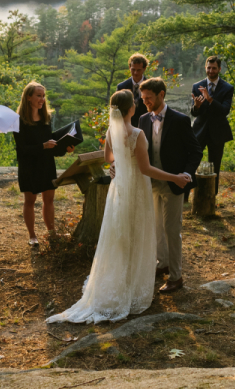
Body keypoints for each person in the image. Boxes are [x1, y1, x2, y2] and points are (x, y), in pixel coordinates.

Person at [46, 90, 192, 323]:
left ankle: (120, 283)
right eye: (135, 103)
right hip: (137, 188)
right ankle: (132, 288)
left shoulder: (111, 132)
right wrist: (174, 177)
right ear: (130, 109)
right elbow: (145, 169)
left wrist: (119, 165)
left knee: (119, 233)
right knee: (137, 233)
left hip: (120, 187)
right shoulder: (137, 133)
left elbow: (108, 158)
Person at [140, 77, 202, 293]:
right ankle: (162, 263)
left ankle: (176, 276)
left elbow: (195, 151)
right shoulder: (143, 120)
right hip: (152, 183)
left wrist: (185, 173)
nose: (145, 101)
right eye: (143, 98)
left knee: (171, 229)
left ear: (161, 95)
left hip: (175, 184)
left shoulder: (180, 120)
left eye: (149, 98)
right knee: (156, 227)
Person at [13, 82, 75, 246]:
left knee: (49, 199)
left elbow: (51, 147)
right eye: (38, 95)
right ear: (28, 97)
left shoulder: (46, 118)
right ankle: (32, 236)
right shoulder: (18, 121)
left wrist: (64, 149)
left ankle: (52, 233)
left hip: (46, 164)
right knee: (30, 200)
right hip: (29, 165)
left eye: (43, 95)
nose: (42, 99)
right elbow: (22, 149)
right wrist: (43, 146)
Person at [191, 56, 234, 196]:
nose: (211, 70)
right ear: (205, 68)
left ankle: (212, 197)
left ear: (219, 69)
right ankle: (187, 193)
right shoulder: (197, 86)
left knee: (215, 164)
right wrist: (196, 107)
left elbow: (224, 111)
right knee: (191, 160)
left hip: (218, 131)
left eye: (214, 68)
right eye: (208, 68)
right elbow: (194, 113)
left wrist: (209, 99)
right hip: (199, 130)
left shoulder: (228, 88)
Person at [116, 53, 149, 127]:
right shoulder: (122, 87)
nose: (135, 73)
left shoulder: (150, 86)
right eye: (133, 69)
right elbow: (117, 110)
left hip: (146, 127)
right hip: (126, 128)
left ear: (144, 69)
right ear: (129, 67)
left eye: (138, 70)